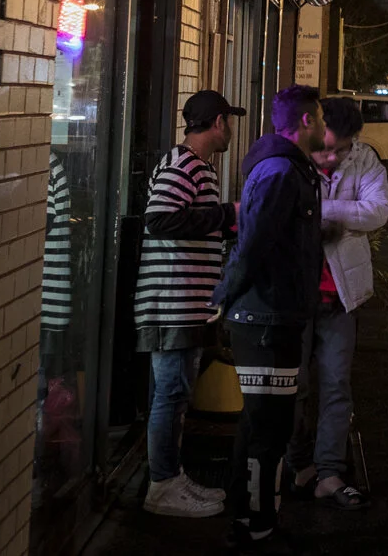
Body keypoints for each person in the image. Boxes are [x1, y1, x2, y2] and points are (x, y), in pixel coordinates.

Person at [213, 86, 325, 549]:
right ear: (303, 122)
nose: (324, 127)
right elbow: (253, 244)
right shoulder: (282, 172)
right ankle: (259, 525)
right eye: (319, 119)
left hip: (272, 313)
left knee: (262, 423)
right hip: (265, 318)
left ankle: (250, 516)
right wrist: (222, 296)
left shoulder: (286, 168)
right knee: (270, 427)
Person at [136, 91, 244, 518]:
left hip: (186, 302)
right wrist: (226, 213)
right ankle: (162, 485)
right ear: (218, 122)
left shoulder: (193, 167)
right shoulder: (183, 166)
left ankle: (171, 477)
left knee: (175, 395)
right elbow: (159, 219)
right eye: (229, 121)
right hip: (171, 302)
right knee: (170, 394)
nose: (231, 130)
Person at [286, 96, 388, 509]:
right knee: (292, 386)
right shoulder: (291, 158)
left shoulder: (366, 161)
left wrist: (320, 209)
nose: (330, 156)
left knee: (335, 386)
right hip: (295, 293)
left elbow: (378, 211)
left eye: (340, 149)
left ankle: (328, 471)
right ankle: (296, 464)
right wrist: (343, 212)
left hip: (342, 295)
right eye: (325, 146)